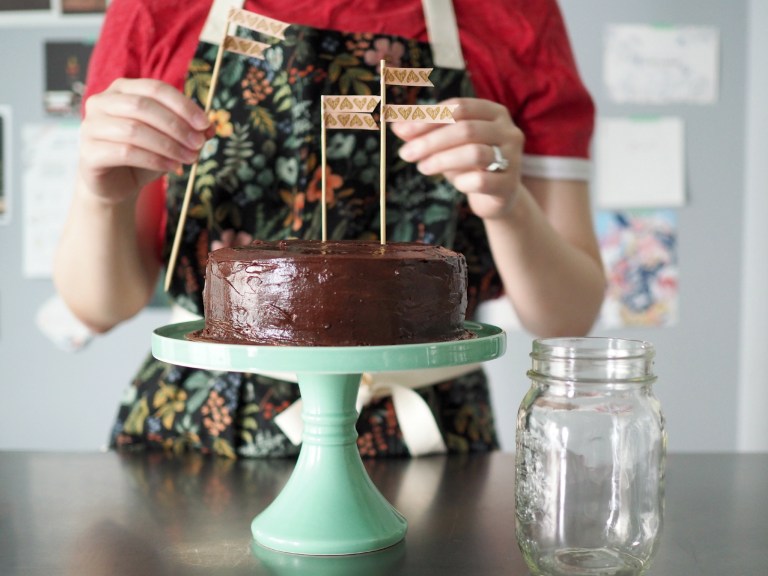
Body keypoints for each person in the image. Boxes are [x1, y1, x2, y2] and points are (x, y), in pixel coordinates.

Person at [53, 0, 605, 458]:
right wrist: (100, 195)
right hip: (203, 433)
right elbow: (100, 305)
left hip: (424, 434)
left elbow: (567, 317)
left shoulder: (515, 14)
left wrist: (508, 204)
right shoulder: (156, 10)